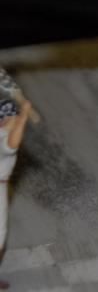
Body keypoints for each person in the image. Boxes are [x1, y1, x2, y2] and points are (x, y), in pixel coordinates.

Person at [0, 95, 32, 289]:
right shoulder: (4, 135)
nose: (16, 119)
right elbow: (11, 145)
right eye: (13, 117)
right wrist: (24, 117)